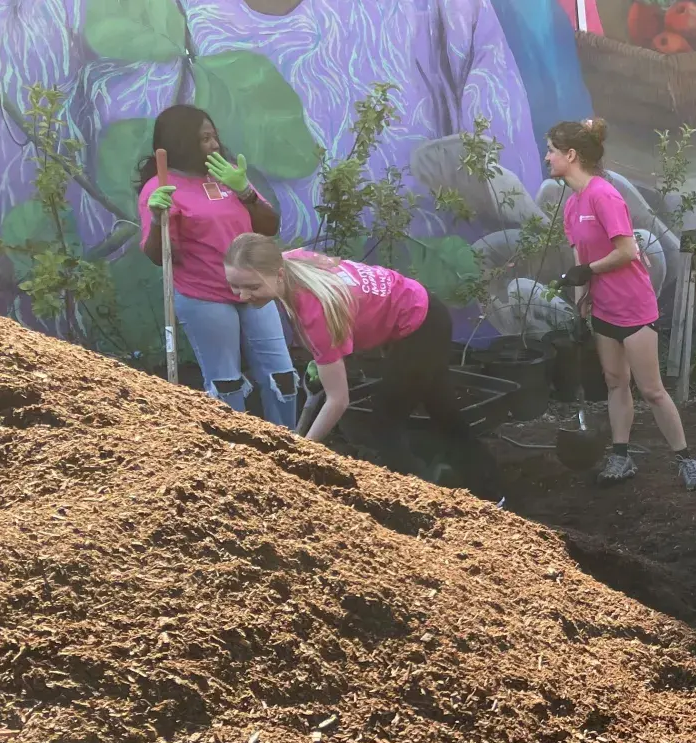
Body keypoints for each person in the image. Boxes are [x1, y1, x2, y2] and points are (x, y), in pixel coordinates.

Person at [224, 233, 501, 502]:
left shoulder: (315, 312)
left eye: (252, 287)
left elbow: (338, 400)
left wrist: (302, 449)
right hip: (423, 309)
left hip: (420, 325)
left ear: (279, 275)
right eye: (235, 286)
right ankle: (489, 492)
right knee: (443, 412)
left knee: (383, 423)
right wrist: (322, 359)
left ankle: (423, 501)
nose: (242, 295)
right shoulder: (291, 261)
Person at [546, 117, 696, 490]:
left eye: (552, 151)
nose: (547, 157)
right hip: (602, 308)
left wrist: (588, 271)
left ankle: (686, 460)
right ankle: (620, 457)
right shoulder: (572, 205)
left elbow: (627, 251)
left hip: (633, 307)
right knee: (616, 382)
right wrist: (580, 303)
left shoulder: (604, 194)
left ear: (571, 155)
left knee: (651, 389)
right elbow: (578, 262)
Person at [137, 105, 299, 428]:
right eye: (204, 139)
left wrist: (245, 191)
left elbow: (269, 227)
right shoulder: (162, 187)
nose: (213, 145)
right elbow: (159, 256)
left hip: (256, 291)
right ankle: (236, 455)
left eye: (214, 136)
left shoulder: (225, 176)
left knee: (282, 376)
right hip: (204, 297)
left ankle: (289, 449)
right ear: (181, 142)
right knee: (227, 385)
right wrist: (157, 219)